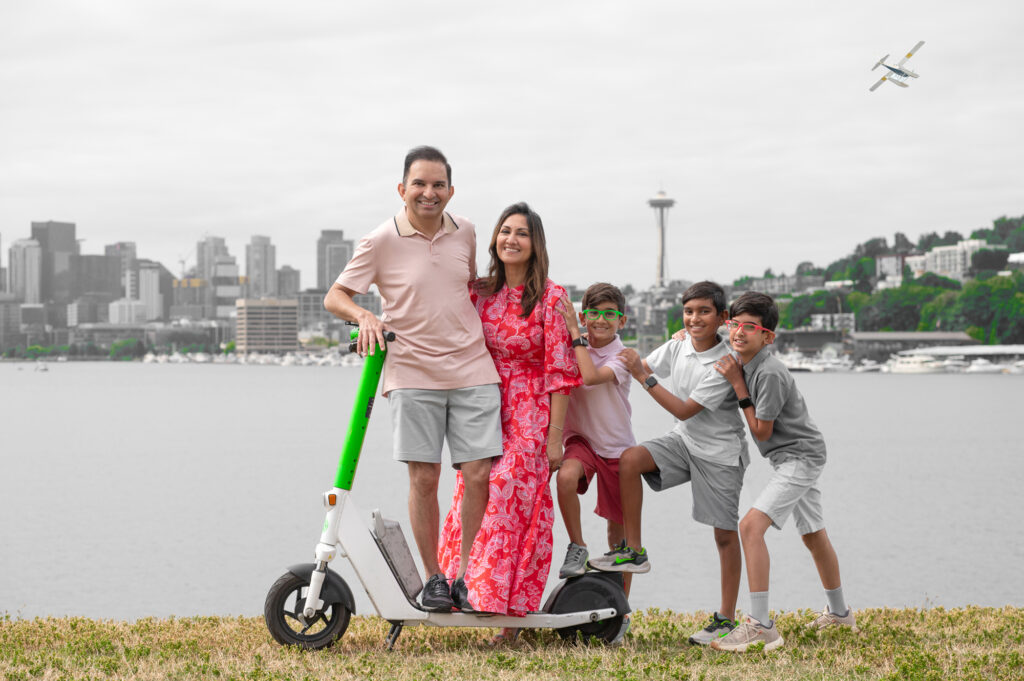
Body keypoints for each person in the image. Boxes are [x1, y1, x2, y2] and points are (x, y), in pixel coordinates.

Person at [323, 146, 502, 613]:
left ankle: (463, 575)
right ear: (402, 189)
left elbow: (465, 285)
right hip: (411, 371)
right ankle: (435, 578)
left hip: (472, 366)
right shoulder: (380, 239)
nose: (429, 193)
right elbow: (335, 296)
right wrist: (365, 316)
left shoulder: (465, 231)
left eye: (438, 184)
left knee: (479, 473)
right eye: (419, 184)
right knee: (425, 477)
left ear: (451, 190)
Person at [438, 202, 581, 640]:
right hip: (483, 405)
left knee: (509, 499)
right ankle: (463, 590)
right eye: (504, 231)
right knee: (472, 490)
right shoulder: (480, 292)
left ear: (535, 244)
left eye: (521, 233)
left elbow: (561, 375)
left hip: (532, 413)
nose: (511, 240)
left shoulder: (552, 298)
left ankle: (508, 613)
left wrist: (555, 437)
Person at [589, 281, 749, 646]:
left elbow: (682, 407)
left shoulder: (725, 363)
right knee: (629, 460)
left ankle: (725, 619)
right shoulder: (678, 344)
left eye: (704, 312)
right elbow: (638, 366)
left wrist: (645, 378)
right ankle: (635, 551)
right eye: (689, 311)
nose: (695, 318)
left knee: (724, 536)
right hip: (684, 441)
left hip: (720, 454)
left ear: (722, 318)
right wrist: (598, 353)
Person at [710, 291, 856, 653]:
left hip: (800, 457)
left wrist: (737, 385)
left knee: (749, 527)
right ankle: (840, 614)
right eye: (734, 325)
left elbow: (762, 431)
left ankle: (761, 626)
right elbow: (709, 340)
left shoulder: (769, 372)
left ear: (767, 337)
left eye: (750, 327)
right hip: (789, 458)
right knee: (813, 535)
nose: (739, 332)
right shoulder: (743, 358)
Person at [553, 284, 636, 599]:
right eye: (594, 314)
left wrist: (575, 335)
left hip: (618, 448)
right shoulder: (574, 345)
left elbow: (589, 377)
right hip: (582, 441)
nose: (601, 320)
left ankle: (621, 603)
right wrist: (575, 337)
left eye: (610, 314)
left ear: (622, 321)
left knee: (620, 536)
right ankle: (578, 546)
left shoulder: (624, 357)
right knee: (565, 478)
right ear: (584, 315)